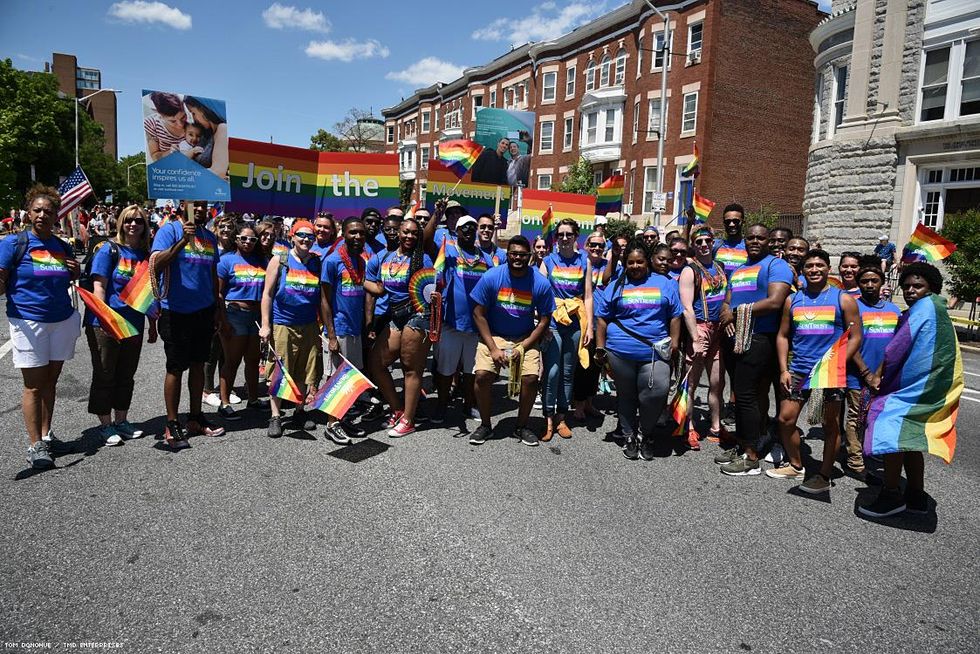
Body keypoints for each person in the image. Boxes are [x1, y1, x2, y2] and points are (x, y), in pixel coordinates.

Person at [859, 262, 962, 517]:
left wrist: (878, 377)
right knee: (911, 439)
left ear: (931, 287)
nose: (911, 290)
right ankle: (916, 495)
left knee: (889, 428)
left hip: (917, 388)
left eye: (918, 286)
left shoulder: (925, 308)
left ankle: (891, 494)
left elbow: (897, 349)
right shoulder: (933, 308)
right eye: (906, 286)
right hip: (928, 387)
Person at [0, 186, 82, 468]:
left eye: (48, 211)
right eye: (37, 210)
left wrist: (75, 272)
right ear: (28, 212)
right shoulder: (14, 244)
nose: (42, 215)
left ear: (56, 215)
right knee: (34, 386)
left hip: (60, 321)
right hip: (28, 321)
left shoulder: (62, 246)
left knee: (51, 381)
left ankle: (46, 437)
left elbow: (66, 279)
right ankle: (35, 445)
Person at [770, 249, 861, 493]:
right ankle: (796, 464)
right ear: (802, 271)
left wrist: (838, 362)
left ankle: (823, 474)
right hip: (799, 370)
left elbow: (856, 337)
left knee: (830, 425)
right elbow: (783, 335)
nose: (814, 270)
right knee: (785, 419)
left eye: (819, 265)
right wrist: (783, 369)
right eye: (809, 266)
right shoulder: (793, 299)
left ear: (827, 268)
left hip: (830, 373)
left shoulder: (843, 299)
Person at [717, 224, 794, 476]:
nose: (754, 241)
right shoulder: (739, 269)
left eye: (760, 238)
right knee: (740, 393)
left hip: (759, 337)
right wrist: (727, 311)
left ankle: (751, 457)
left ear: (769, 241)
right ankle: (743, 444)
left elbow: (775, 301)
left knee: (747, 395)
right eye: (750, 238)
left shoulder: (776, 266)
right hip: (733, 337)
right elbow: (727, 301)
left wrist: (737, 312)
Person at [596, 240, 682, 460]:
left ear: (648, 262)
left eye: (640, 262)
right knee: (626, 395)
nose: (635, 266)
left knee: (655, 392)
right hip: (620, 350)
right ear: (625, 264)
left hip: (655, 351)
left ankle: (647, 433)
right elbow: (603, 318)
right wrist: (600, 347)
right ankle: (629, 436)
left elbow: (675, 315)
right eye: (630, 262)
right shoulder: (616, 284)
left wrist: (674, 342)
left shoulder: (664, 283)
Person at [468, 235, 556, 446]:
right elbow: (478, 314)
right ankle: (486, 425)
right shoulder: (492, 277)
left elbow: (545, 321)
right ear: (507, 255)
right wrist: (493, 348)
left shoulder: (540, 283)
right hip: (495, 335)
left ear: (530, 256)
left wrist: (523, 347)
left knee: (530, 379)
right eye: (513, 254)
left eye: (522, 255)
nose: (518, 258)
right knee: (481, 375)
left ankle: (522, 426)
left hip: (525, 337)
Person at [152, 201, 226, 447]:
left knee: (198, 365)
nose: (202, 209)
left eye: (206, 205)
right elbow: (156, 264)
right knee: (175, 367)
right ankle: (172, 422)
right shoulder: (169, 230)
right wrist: (183, 240)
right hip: (176, 311)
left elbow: (212, 275)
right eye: (197, 204)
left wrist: (216, 307)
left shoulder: (209, 237)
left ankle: (195, 417)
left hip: (204, 311)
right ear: (183, 205)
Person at [84, 205, 156, 445]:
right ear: (120, 223)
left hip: (133, 323)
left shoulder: (145, 255)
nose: (133, 224)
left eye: (138, 221)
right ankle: (105, 425)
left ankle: (122, 420)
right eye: (128, 220)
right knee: (105, 374)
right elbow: (99, 288)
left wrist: (153, 325)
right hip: (105, 323)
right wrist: (105, 318)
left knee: (126, 374)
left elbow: (147, 295)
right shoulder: (108, 249)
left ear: (145, 225)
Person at [364, 218, 434, 437]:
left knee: (410, 367)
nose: (409, 236)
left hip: (417, 315)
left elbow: (428, 291)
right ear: (397, 233)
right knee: (377, 362)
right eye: (405, 232)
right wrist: (366, 283)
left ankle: (408, 420)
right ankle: (397, 408)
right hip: (395, 315)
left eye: (414, 233)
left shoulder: (423, 258)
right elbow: (371, 283)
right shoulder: (386, 257)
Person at [423, 207, 492, 423]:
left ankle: (468, 406)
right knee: (445, 370)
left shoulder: (487, 259)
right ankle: (442, 406)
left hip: (476, 328)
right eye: (465, 227)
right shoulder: (448, 252)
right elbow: (425, 243)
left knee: (472, 372)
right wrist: (436, 215)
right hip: (451, 323)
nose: (470, 230)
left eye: (473, 227)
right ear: (457, 231)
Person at [260, 220, 323, 438]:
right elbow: (267, 294)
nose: (306, 239)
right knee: (280, 370)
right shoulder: (280, 260)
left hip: (309, 325)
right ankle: (276, 415)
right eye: (301, 235)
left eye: (310, 236)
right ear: (292, 237)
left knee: (306, 369)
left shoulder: (316, 262)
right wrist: (266, 325)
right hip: (282, 324)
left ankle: (299, 411)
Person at [842, 260, 900, 474]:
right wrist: (866, 373)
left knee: (877, 417)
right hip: (858, 376)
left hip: (886, 378)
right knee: (857, 417)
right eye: (864, 281)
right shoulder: (852, 306)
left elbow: (898, 345)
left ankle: (871, 451)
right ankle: (855, 462)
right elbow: (848, 342)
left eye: (874, 281)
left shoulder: (894, 310)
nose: (869, 285)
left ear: (882, 283)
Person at [540, 219, 593, 441]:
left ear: (576, 237)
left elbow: (588, 295)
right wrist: (541, 324)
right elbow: (541, 293)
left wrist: (589, 326)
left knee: (569, 372)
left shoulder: (585, 261)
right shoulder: (548, 261)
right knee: (552, 372)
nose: (563, 238)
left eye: (568, 234)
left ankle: (562, 417)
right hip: (553, 320)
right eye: (560, 235)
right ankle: (548, 417)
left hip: (575, 322)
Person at [320, 216, 370, 444]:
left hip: (354, 329)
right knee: (336, 379)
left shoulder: (361, 261)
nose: (358, 237)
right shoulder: (332, 261)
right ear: (343, 233)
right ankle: (331, 424)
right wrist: (331, 335)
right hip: (338, 330)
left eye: (361, 232)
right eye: (353, 232)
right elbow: (324, 300)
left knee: (349, 379)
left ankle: (343, 417)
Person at [678, 226, 728, 449]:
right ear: (694, 245)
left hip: (720, 329)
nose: (704, 245)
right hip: (700, 328)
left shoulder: (720, 267)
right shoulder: (690, 271)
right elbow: (687, 308)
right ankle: (689, 427)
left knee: (717, 383)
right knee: (692, 382)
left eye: (708, 240)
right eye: (699, 242)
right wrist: (695, 338)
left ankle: (716, 427)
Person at [216, 224, 268, 420]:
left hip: (256, 317)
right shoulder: (225, 260)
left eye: (252, 239)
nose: (248, 242)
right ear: (236, 239)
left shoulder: (262, 260)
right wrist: (223, 320)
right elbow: (218, 293)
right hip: (234, 314)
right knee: (232, 360)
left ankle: (253, 399)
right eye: (243, 238)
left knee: (253, 361)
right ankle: (225, 402)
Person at [203, 216, 240, 408]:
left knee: (227, 349)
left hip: (230, 304)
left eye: (230, 227)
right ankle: (207, 390)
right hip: (209, 302)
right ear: (216, 228)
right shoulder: (209, 247)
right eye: (222, 226)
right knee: (212, 349)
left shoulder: (236, 250)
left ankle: (225, 387)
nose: (226, 230)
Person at [572, 233, 610, 421]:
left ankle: (589, 402)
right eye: (593, 244)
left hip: (601, 323)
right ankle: (577, 403)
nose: (596, 248)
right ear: (586, 245)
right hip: (581, 321)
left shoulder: (609, 266)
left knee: (596, 364)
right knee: (582, 365)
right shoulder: (579, 261)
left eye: (600, 246)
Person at [183, 95, 228, 178]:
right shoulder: (205, 135)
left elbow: (218, 172)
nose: (193, 119)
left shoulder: (223, 128)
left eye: (193, 113)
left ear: (203, 110)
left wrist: (179, 176)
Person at [144, 91, 187, 162]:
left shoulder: (193, 115)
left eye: (183, 117)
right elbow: (154, 156)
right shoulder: (152, 124)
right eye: (173, 121)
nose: (180, 125)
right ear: (160, 116)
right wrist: (169, 152)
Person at [713, 204, 747, 279]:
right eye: (727, 221)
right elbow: (685, 248)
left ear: (743, 222)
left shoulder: (749, 247)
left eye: (736, 221)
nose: (731, 224)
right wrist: (689, 224)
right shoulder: (715, 245)